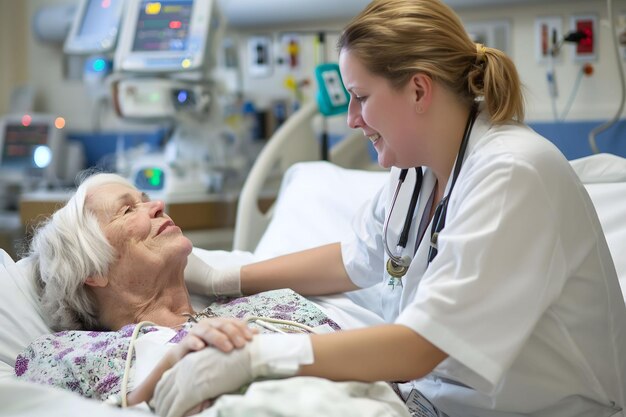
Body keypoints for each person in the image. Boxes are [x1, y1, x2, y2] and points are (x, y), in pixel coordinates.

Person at [152, 1, 626, 416]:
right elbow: (355, 257)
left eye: (360, 98)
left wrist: (257, 356)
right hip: (430, 399)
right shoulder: (417, 172)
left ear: (419, 90)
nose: (352, 120)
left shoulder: (512, 175)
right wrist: (226, 279)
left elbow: (423, 346)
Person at [22, 172, 341, 409]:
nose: (158, 205)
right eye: (128, 210)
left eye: (145, 199)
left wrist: (222, 280)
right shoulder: (70, 355)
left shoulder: (272, 304)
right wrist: (169, 367)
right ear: (92, 270)